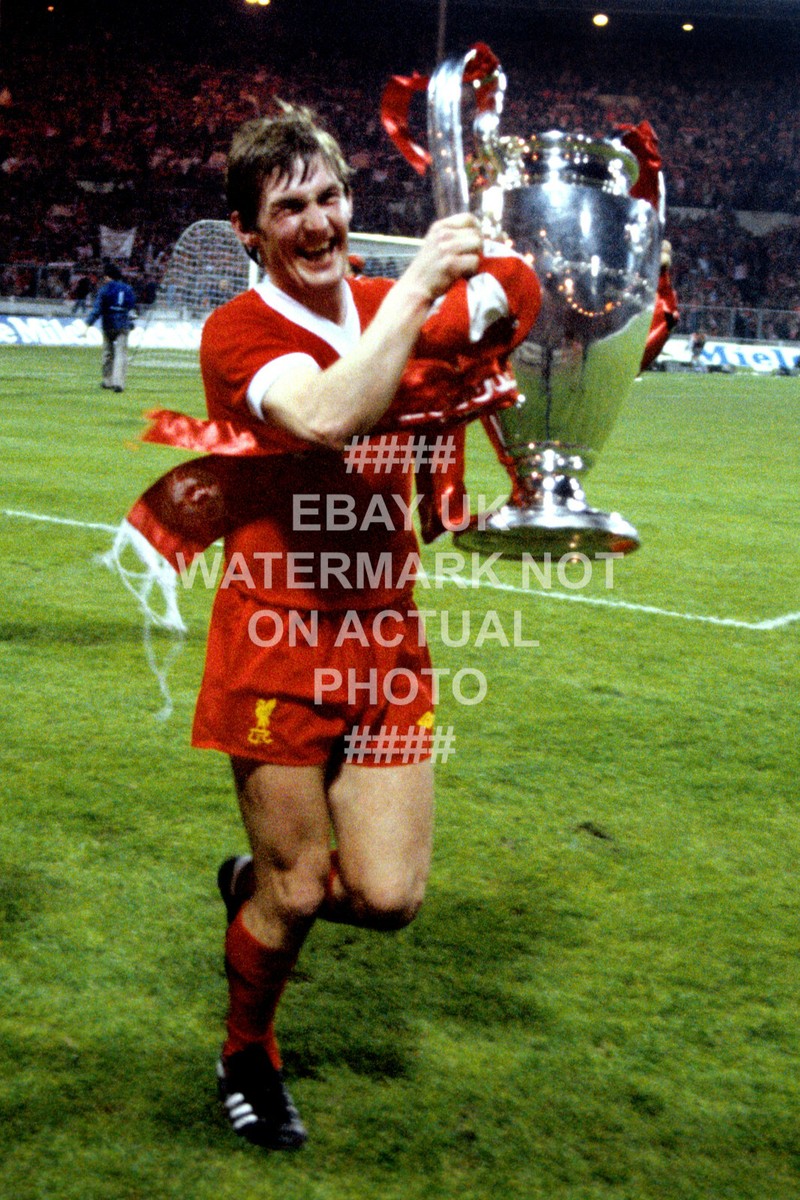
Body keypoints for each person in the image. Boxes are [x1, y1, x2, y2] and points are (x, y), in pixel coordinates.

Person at [176, 106, 536, 1152]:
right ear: (249, 230)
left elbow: (497, 345)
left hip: (385, 638)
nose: (318, 221)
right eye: (288, 206)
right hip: (276, 639)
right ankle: (248, 1050)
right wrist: (422, 289)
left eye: (328, 196)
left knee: (383, 897)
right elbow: (329, 411)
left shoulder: (386, 303)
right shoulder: (238, 333)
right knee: (301, 891)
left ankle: (249, 885)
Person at [84, 263, 137, 392]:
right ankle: (119, 383)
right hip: (123, 325)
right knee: (121, 354)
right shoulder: (128, 289)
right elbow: (131, 307)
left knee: (108, 353)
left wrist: (88, 324)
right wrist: (130, 322)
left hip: (108, 325)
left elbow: (97, 309)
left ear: (108, 277)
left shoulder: (105, 289)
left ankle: (107, 381)